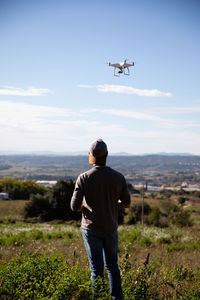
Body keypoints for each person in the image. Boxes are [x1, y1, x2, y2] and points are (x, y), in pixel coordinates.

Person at [71, 139, 130, 299]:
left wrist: (85, 204)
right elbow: (126, 203)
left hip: (90, 229)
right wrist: (113, 203)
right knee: (112, 267)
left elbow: (74, 206)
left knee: (96, 270)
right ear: (107, 155)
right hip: (111, 228)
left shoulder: (83, 178)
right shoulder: (118, 177)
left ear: (90, 156)